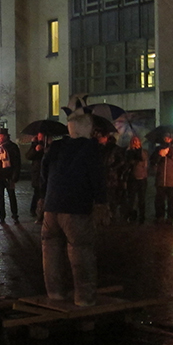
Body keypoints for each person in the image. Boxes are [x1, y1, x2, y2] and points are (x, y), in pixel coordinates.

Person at [41, 112, 108, 307]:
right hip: (76, 207)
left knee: (51, 250)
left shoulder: (57, 146)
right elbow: (97, 177)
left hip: (51, 207)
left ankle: (55, 293)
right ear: (86, 129)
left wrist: (44, 196)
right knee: (81, 250)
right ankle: (84, 297)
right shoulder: (90, 148)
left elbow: (44, 172)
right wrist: (101, 202)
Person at [0, 127, 22, 224]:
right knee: (0, 197)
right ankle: (2, 216)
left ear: (6, 137)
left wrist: (14, 176)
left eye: (1, 136)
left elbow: (17, 163)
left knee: (11, 196)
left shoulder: (12, 147)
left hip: (9, 175)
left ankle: (15, 215)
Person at [153, 131, 173, 223]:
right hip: (161, 178)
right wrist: (159, 155)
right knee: (159, 198)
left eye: (169, 138)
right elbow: (153, 161)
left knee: (171, 199)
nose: (167, 139)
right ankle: (160, 216)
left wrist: (171, 155)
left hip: (172, 178)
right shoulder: (158, 148)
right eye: (165, 137)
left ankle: (170, 217)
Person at [122, 135, 149, 223]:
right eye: (133, 141)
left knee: (141, 198)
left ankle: (142, 216)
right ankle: (132, 215)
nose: (135, 143)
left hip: (141, 177)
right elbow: (127, 163)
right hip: (132, 177)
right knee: (131, 198)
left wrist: (138, 150)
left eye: (137, 141)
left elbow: (143, 158)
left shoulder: (143, 151)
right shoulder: (128, 152)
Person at [25, 132, 46, 219]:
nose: (41, 137)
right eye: (40, 135)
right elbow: (28, 156)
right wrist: (35, 147)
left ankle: (42, 210)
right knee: (37, 192)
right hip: (37, 172)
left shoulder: (48, 145)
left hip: (45, 171)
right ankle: (34, 210)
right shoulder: (35, 145)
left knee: (43, 192)